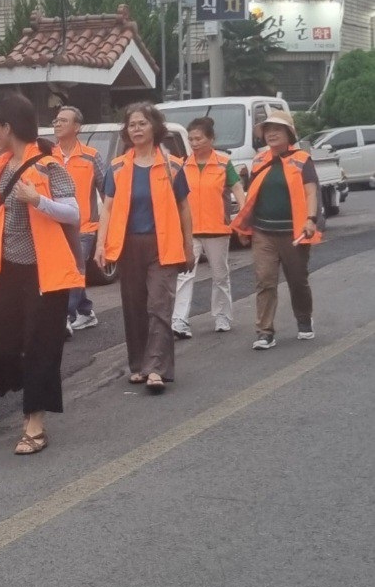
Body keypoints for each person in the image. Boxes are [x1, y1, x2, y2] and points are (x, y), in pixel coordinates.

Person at [0, 92, 84, 455]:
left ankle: (35, 423)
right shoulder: (0, 167)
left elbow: (74, 213)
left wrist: (38, 200)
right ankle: (29, 388)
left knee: (41, 347)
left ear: (8, 128)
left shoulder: (49, 167)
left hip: (45, 271)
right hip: (6, 268)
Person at [95, 102, 193, 394]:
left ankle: (157, 369)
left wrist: (188, 245)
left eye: (142, 124)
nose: (136, 129)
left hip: (163, 245)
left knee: (159, 306)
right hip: (128, 246)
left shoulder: (173, 166)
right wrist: (101, 244)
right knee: (135, 307)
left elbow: (184, 208)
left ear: (155, 128)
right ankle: (138, 365)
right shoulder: (117, 167)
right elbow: (108, 210)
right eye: (131, 125)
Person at [230, 110, 321, 350]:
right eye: (268, 130)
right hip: (263, 232)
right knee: (265, 281)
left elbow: (311, 191)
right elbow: (251, 196)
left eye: (277, 129)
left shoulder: (302, 159)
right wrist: (243, 225)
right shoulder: (259, 160)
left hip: (294, 233)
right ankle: (264, 331)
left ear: (288, 133)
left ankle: (304, 319)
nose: (271, 133)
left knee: (298, 280)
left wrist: (311, 219)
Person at [171, 116, 246, 338]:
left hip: (217, 229)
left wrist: (242, 214)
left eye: (199, 138)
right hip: (189, 230)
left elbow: (237, 189)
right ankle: (179, 320)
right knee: (184, 275)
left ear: (211, 139)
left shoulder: (223, 163)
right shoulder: (183, 165)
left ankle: (222, 315)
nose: (194, 143)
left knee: (220, 274)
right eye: (191, 139)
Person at [50, 106, 106, 333]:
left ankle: (65, 316)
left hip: (84, 227)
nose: (57, 124)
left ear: (77, 127)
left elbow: (106, 192)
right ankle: (85, 311)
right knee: (69, 270)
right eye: (56, 120)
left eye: (63, 120)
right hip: (55, 227)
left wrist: (109, 225)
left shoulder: (91, 156)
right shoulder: (47, 156)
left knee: (72, 270)